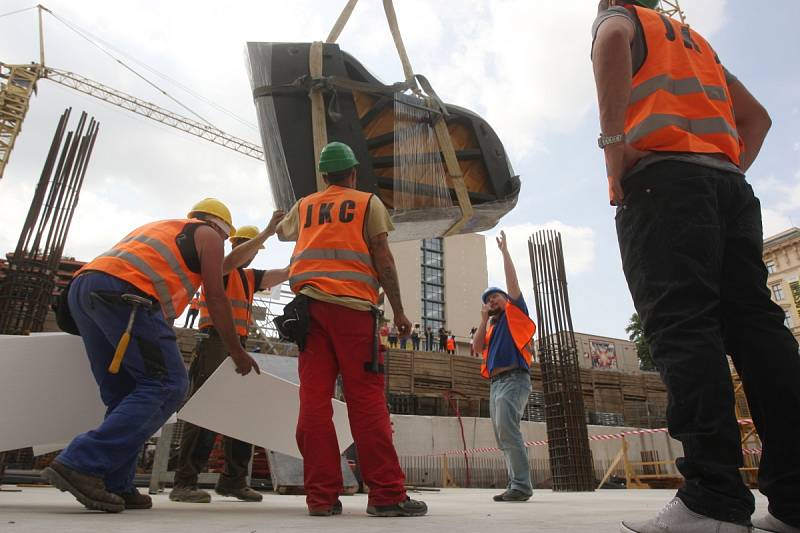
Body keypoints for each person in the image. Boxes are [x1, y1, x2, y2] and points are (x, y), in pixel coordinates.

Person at [592, 2, 800, 532]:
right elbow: (759, 118)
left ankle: (714, 500)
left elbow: (612, 39)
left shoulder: (623, 18)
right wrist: (720, 168)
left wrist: (615, 151)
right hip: (728, 188)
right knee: (758, 331)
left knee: (684, 327)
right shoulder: (695, 43)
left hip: (663, 187)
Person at [41, 198, 260, 513]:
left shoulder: (162, 228)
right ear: (221, 228)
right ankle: (82, 462)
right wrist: (236, 351)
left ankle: (117, 483)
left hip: (83, 292)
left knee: (125, 393)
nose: (223, 246)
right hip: (127, 294)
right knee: (168, 384)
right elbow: (215, 295)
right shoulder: (209, 236)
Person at [276, 141, 426, 517]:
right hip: (354, 314)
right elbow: (383, 257)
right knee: (366, 403)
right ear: (354, 173)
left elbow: (282, 232)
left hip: (309, 314)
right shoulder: (366, 203)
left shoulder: (306, 205)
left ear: (324, 176)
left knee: (313, 404)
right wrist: (399, 310)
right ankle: (387, 495)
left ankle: (321, 499)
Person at [170, 218, 287, 504]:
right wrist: (267, 231)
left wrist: (307, 257)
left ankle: (233, 480)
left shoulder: (249, 278)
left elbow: (283, 273)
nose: (253, 254)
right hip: (213, 342)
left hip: (239, 346)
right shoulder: (220, 267)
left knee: (243, 412)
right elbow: (236, 258)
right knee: (205, 410)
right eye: (247, 247)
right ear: (236, 245)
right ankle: (185, 482)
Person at [472, 230, 536, 503]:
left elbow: (513, 286)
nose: (492, 301)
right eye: (488, 299)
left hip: (514, 379)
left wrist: (505, 252)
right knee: (502, 436)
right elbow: (476, 348)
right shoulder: (491, 327)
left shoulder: (514, 315)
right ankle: (515, 484)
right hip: (496, 384)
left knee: (509, 431)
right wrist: (483, 317)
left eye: (495, 296)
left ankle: (521, 486)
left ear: (506, 300)